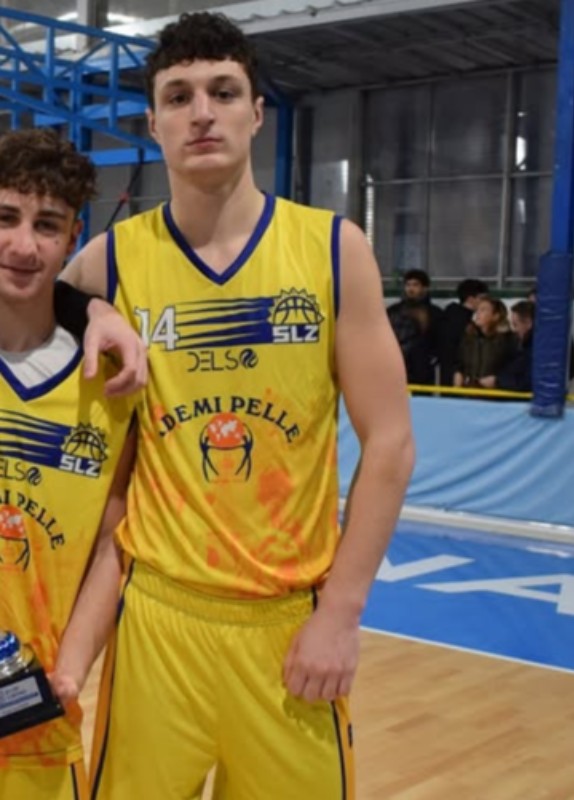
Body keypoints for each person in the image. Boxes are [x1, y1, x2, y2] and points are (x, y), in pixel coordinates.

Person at [57, 12, 414, 800]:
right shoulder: (110, 262)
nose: (202, 113)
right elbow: (21, 303)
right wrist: (86, 307)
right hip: (157, 621)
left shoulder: (333, 249)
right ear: (153, 122)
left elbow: (390, 442)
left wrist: (342, 614)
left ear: (256, 114)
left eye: (223, 92)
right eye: (178, 96)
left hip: (290, 626)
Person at [0, 129, 136, 800]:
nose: (24, 245)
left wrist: (71, 672)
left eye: (47, 225)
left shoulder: (111, 381)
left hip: (37, 716)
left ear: (72, 237)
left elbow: (114, 541)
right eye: (6, 218)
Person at [453, 296, 517, 392]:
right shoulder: (468, 338)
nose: (477, 313)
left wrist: (498, 380)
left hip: (496, 394)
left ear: (496, 316)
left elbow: (513, 368)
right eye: (477, 310)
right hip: (469, 393)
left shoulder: (508, 340)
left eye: (483, 310)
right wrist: (458, 373)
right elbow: (459, 362)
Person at [438, 278, 488, 386]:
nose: (485, 302)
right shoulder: (468, 321)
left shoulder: (448, 316)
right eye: (482, 298)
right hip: (462, 373)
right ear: (470, 299)